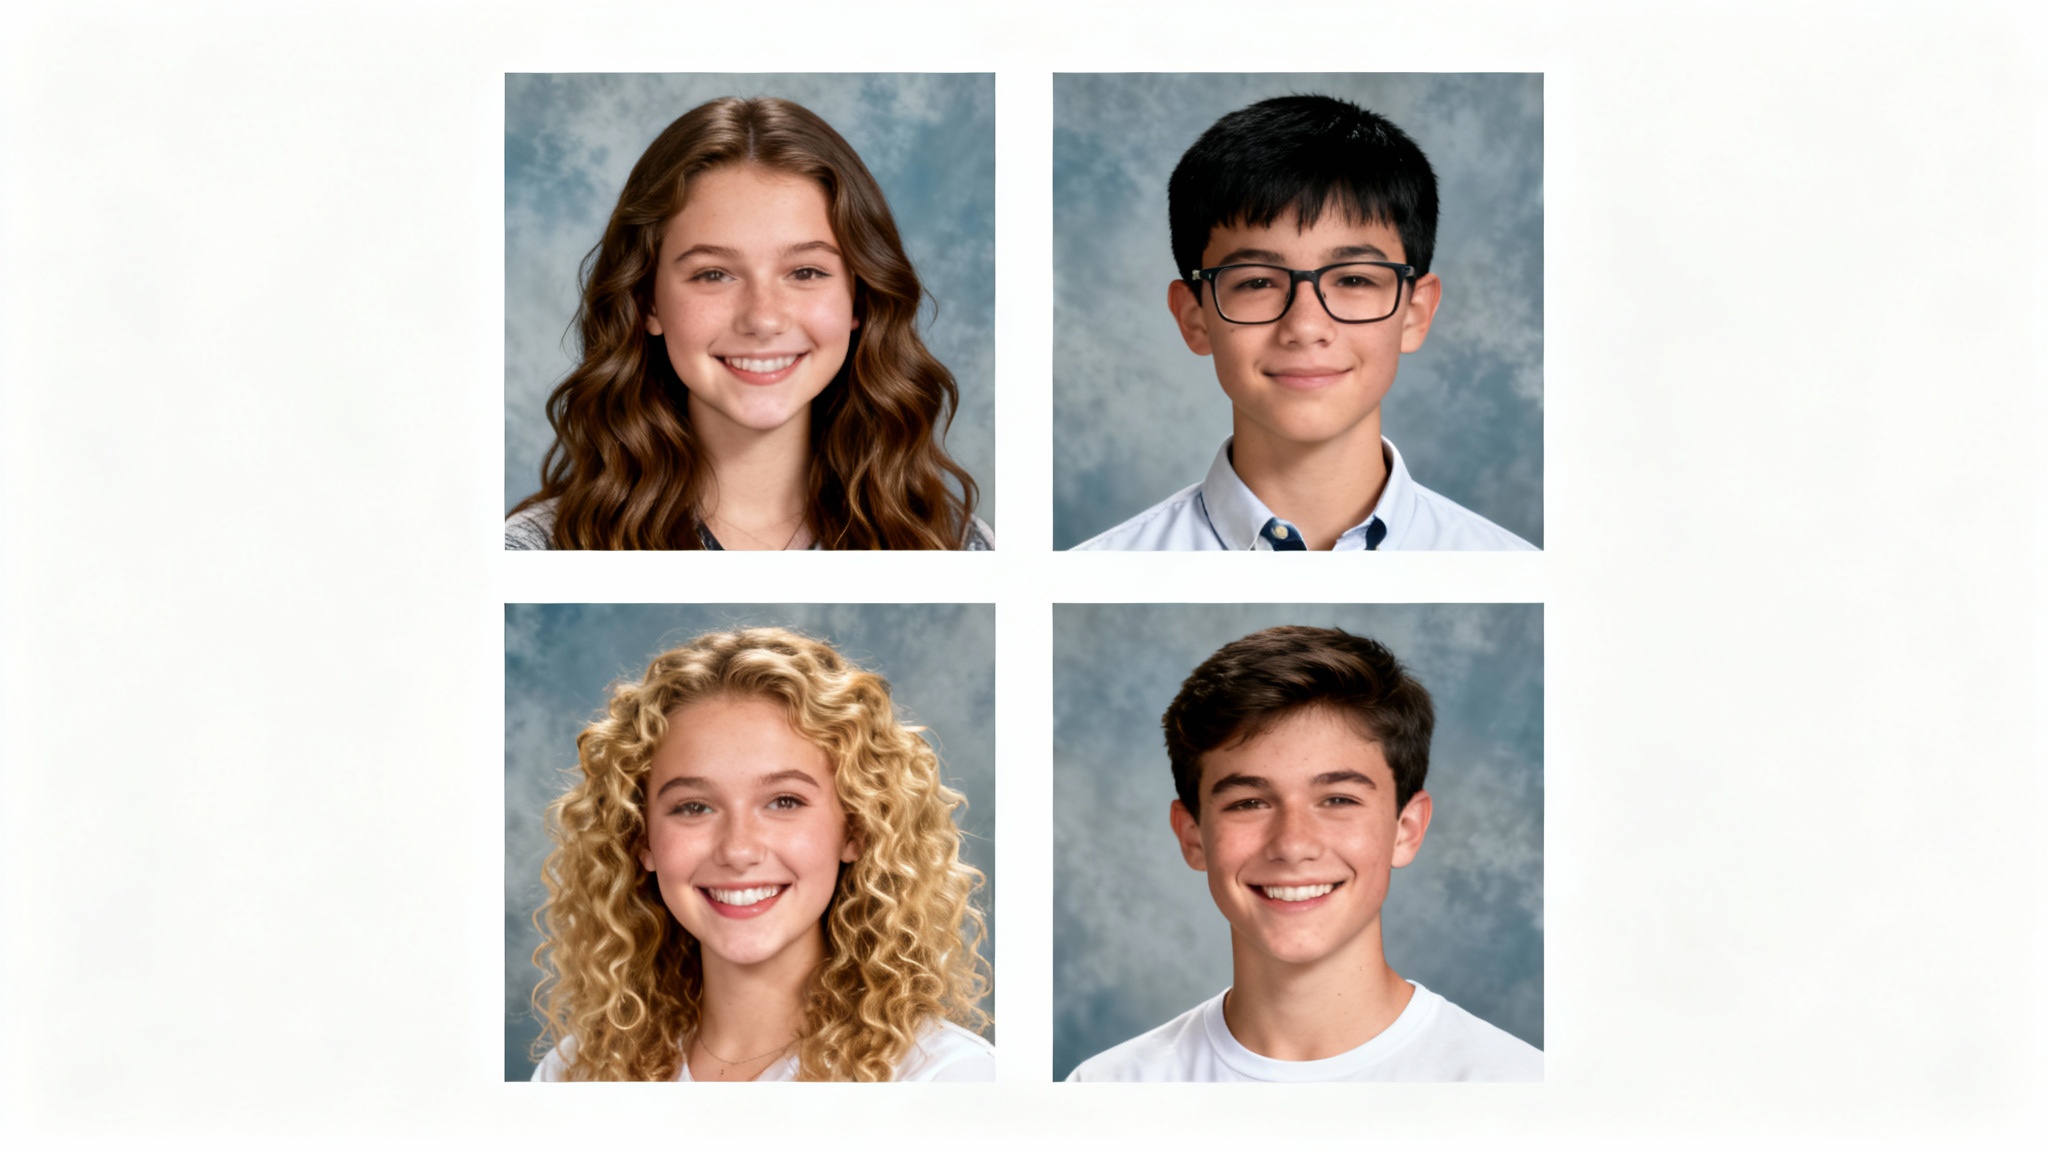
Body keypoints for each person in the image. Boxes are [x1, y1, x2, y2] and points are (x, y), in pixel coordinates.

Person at [506, 97, 991, 550]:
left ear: (859, 298)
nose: (763, 318)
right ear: (647, 302)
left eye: (806, 272)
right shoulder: (533, 552)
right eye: (713, 274)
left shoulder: (957, 546)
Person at [1066, 626, 1540, 1081]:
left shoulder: (1517, 1089)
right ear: (1192, 836)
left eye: (1338, 800)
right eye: (1248, 803)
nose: (1293, 845)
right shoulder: (1106, 1090)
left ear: (1406, 829)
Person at [1072, 95, 1534, 551]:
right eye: (1256, 282)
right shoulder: (1096, 567)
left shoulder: (1506, 560)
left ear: (1415, 313)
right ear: (1195, 317)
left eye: (1353, 278)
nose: (1306, 326)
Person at [530, 627, 993, 1081]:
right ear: (641, 838)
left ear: (856, 828)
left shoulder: (946, 1078)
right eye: (693, 807)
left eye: (784, 802)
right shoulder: (576, 1072)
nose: (738, 850)